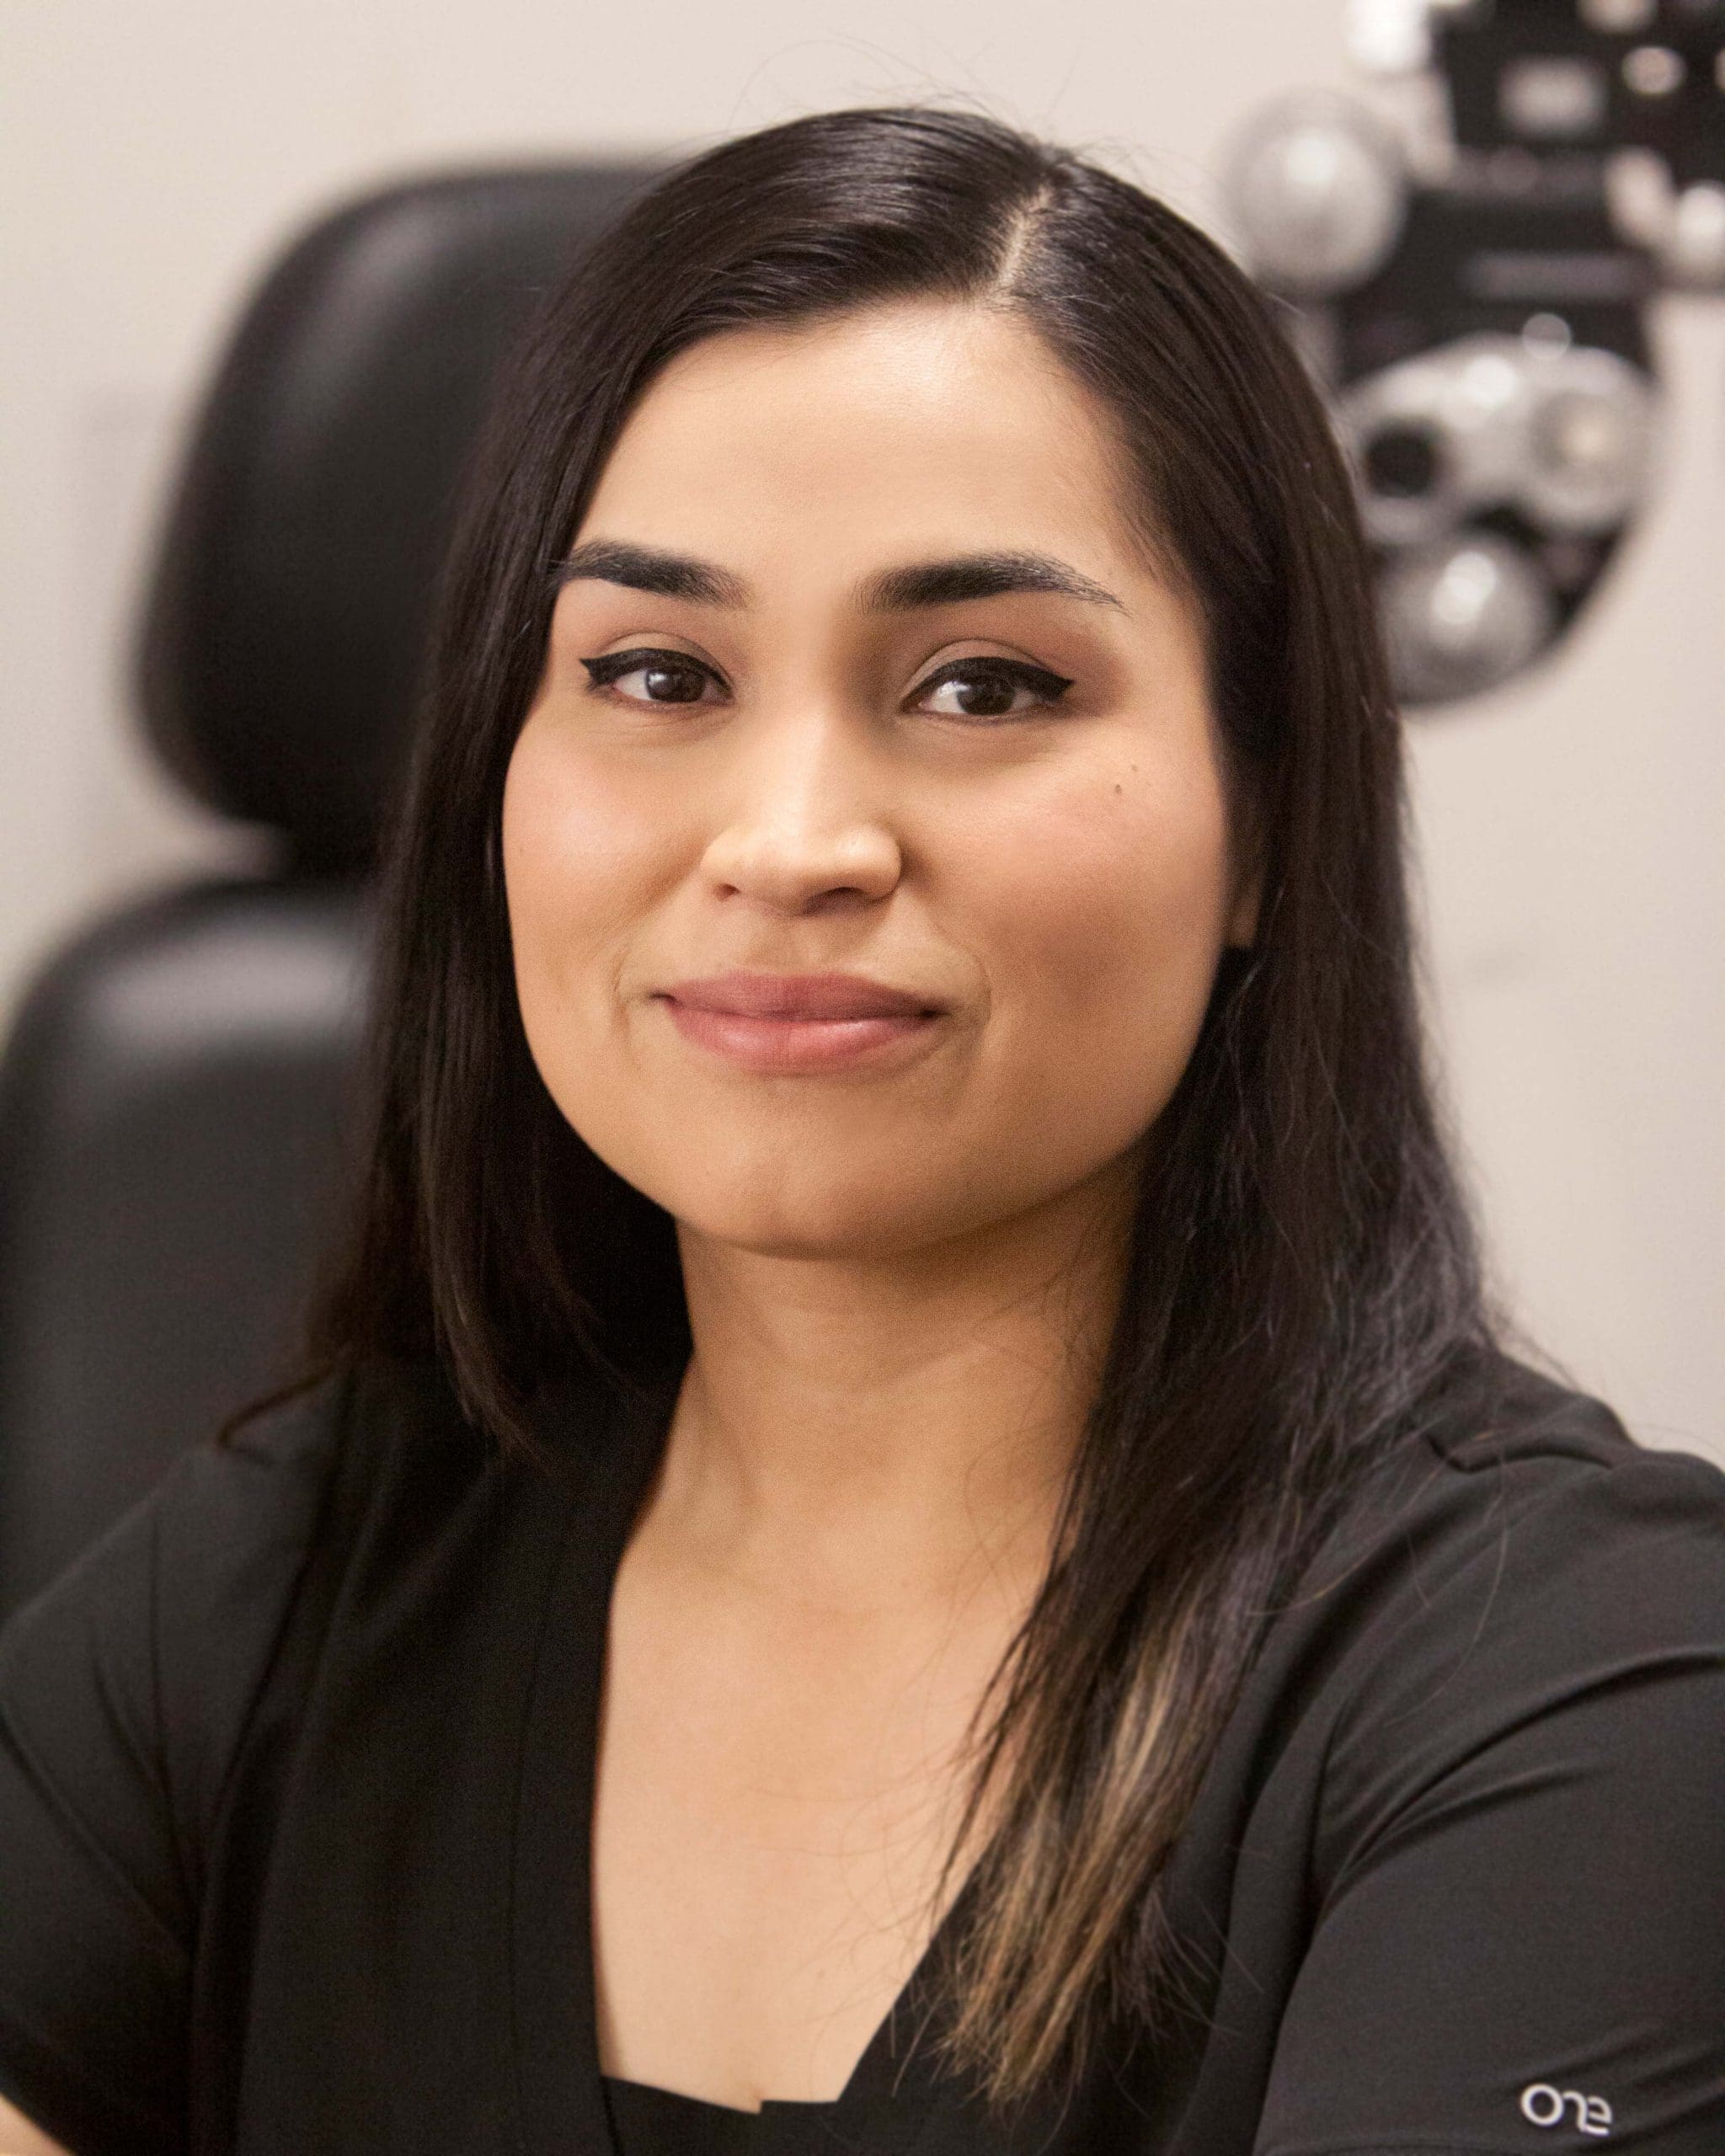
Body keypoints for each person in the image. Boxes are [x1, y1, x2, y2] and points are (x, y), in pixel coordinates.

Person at [1, 100, 1722, 2156]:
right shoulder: (283, 1575)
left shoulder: (1573, 1682)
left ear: (1265, 815)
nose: (793, 840)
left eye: (985, 685)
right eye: (654, 671)